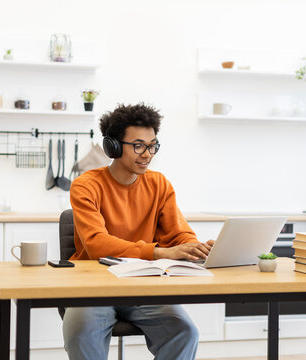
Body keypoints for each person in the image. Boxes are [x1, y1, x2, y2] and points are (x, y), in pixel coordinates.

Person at [63, 103, 215, 360]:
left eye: (152, 145)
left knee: (184, 332)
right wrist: (158, 252)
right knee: (81, 333)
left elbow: (179, 234)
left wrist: (193, 247)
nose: (147, 154)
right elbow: (97, 245)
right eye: (138, 146)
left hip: (143, 285)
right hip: (93, 286)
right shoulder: (86, 185)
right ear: (112, 146)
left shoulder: (158, 184)